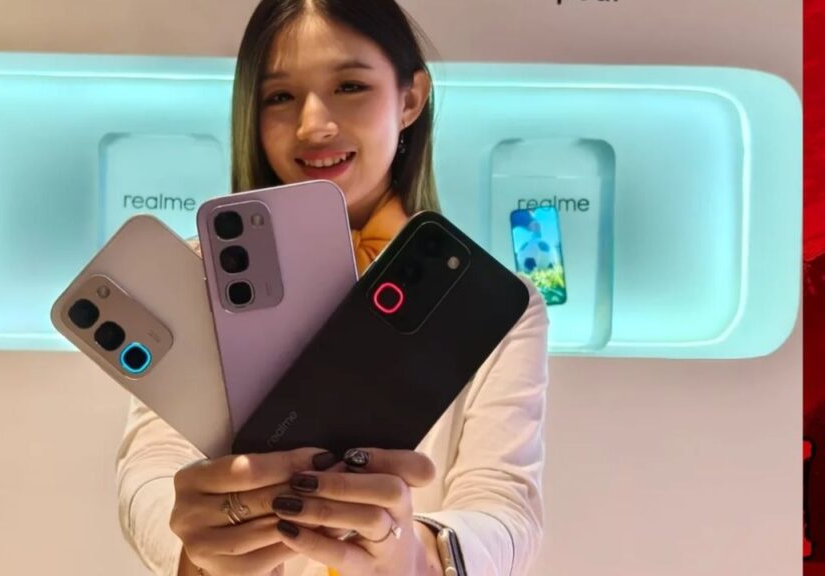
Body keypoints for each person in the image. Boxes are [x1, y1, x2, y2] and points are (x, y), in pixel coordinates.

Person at [115, 1, 549, 575]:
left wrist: (413, 551)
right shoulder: (199, 274)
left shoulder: (493, 301)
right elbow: (150, 465)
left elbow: (505, 502)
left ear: (410, 99)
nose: (313, 124)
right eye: (279, 96)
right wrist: (196, 550)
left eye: (349, 86)